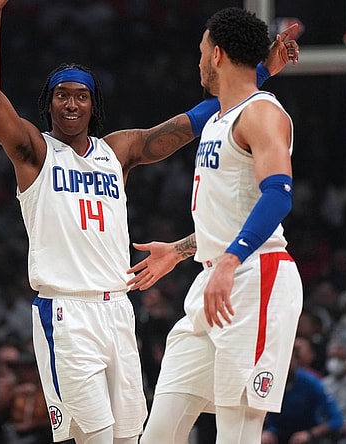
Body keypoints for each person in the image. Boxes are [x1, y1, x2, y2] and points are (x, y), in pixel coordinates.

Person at [0, 1, 299, 442]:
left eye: (81, 95)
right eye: (61, 95)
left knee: (136, 438)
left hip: (121, 310)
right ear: (47, 104)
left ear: (94, 104)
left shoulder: (119, 151)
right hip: (68, 311)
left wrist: (257, 75)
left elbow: (196, 120)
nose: (71, 104)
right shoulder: (36, 151)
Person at [128, 7, 302, 444]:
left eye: (202, 51)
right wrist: (184, 249)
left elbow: (278, 193)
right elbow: (230, 215)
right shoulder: (220, 116)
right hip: (212, 281)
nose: (198, 61)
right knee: (159, 434)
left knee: (236, 435)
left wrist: (229, 259)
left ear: (218, 54)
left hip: (255, 276)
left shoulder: (263, 114)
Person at [261, 346, 345, 444]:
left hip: (306, 434)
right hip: (275, 433)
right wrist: (264, 431)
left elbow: (337, 419)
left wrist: (310, 433)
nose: (285, 365)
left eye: (288, 360)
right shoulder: (266, 381)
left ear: (297, 361)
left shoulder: (311, 383)